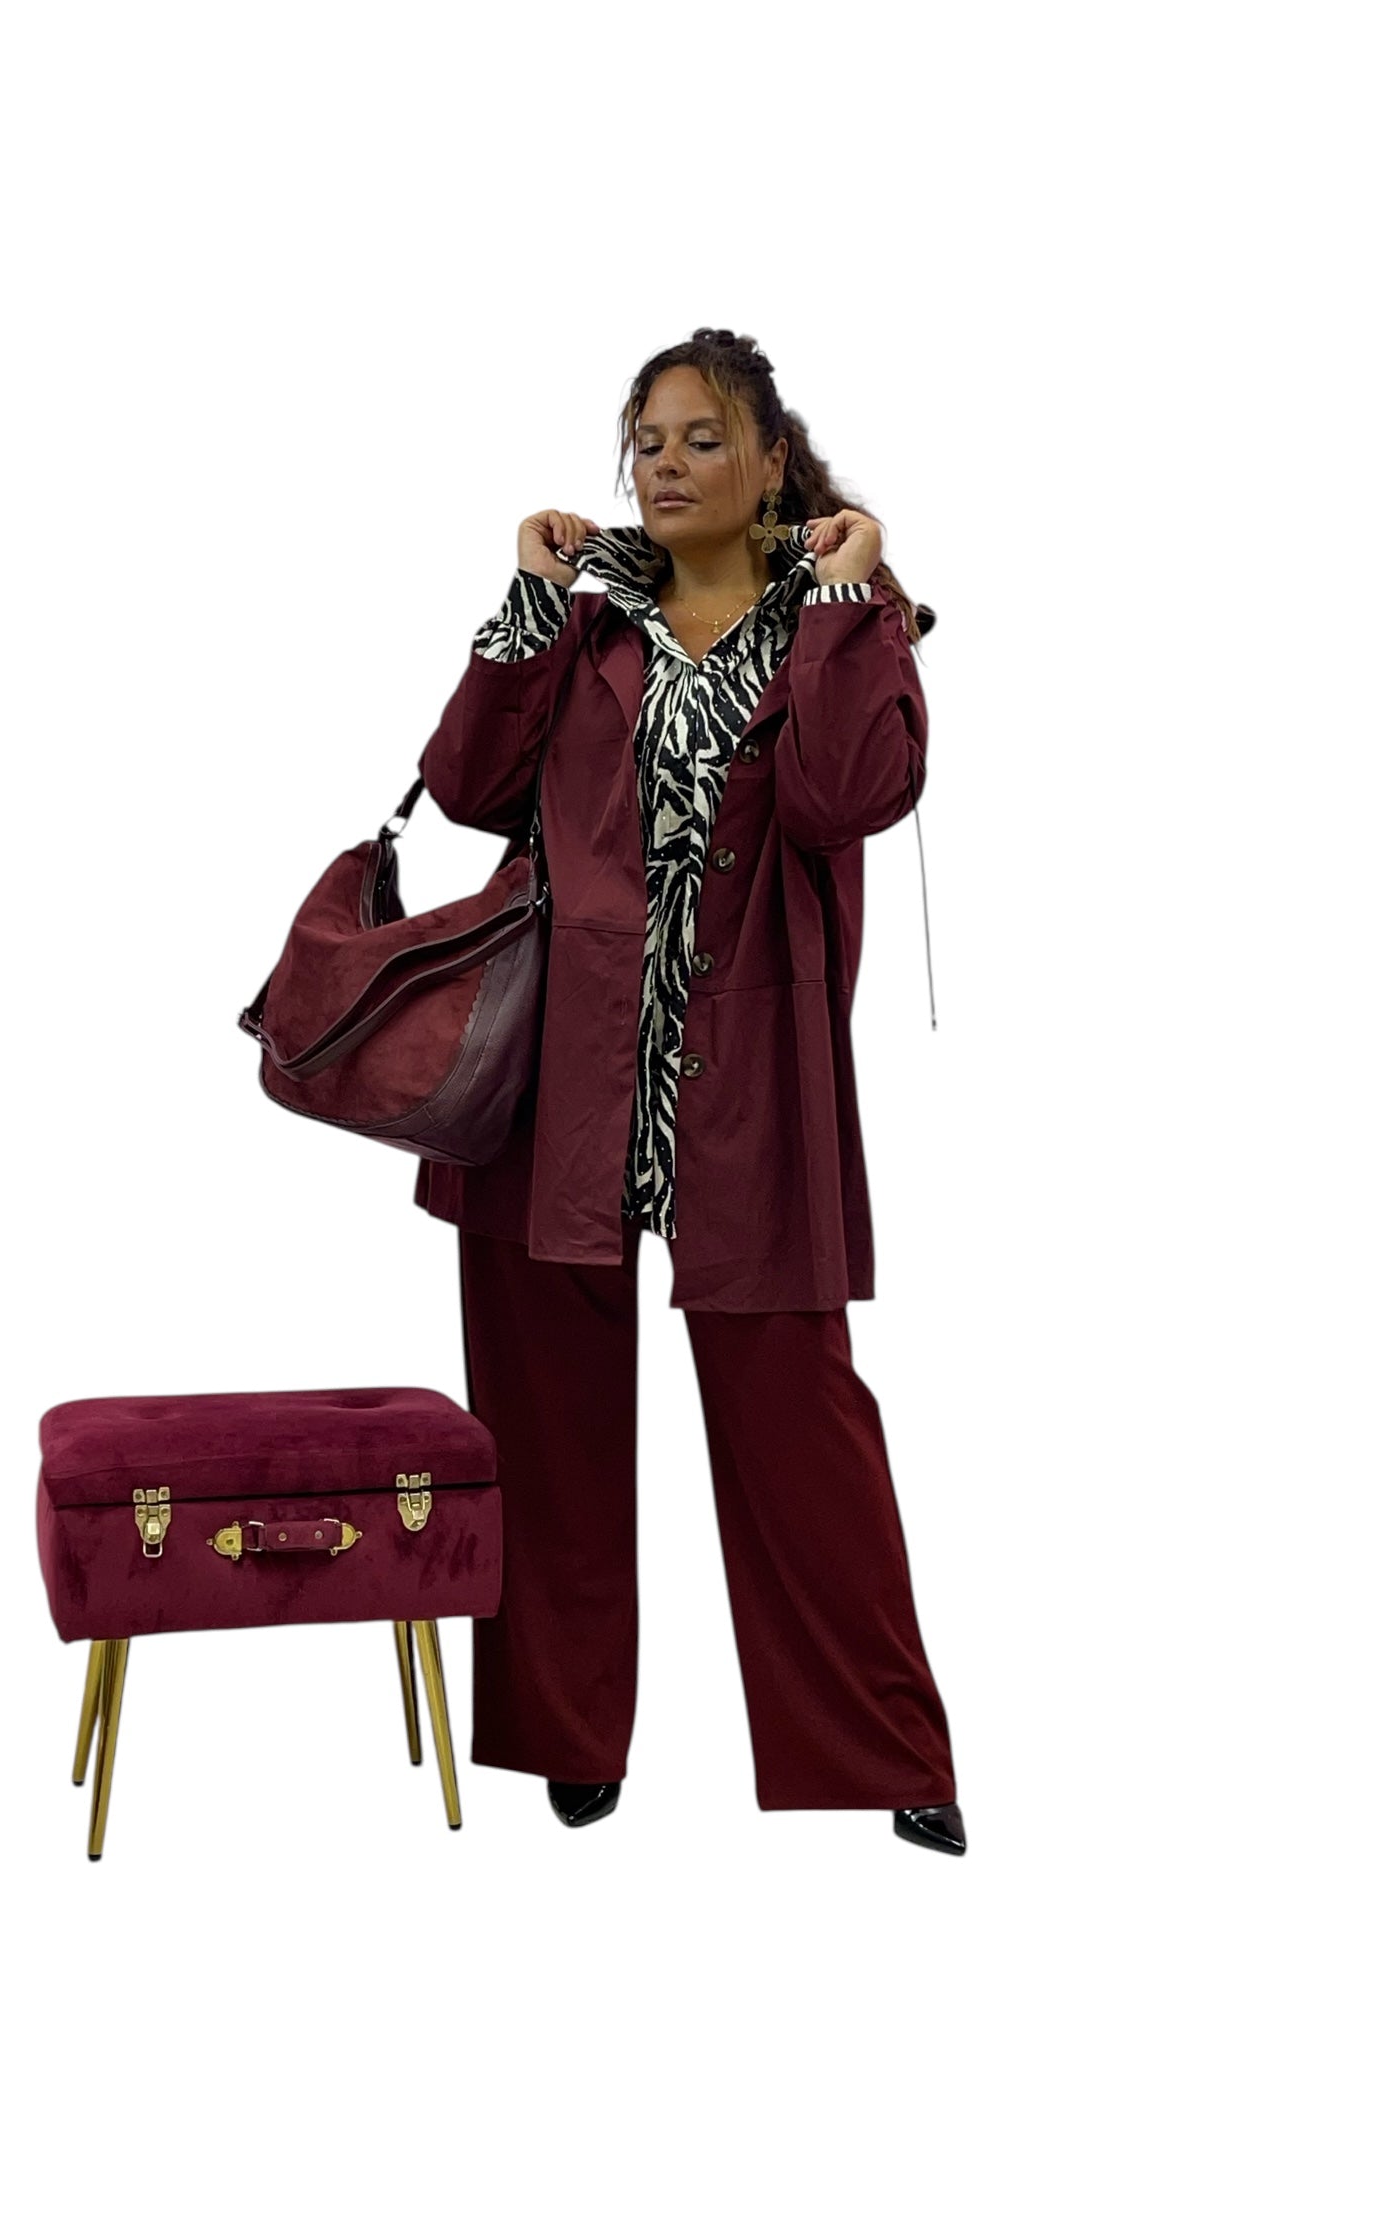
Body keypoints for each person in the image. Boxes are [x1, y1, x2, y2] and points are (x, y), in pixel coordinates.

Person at [411, 327, 964, 1855]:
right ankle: (562, 1728)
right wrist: (532, 597)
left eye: (701, 438)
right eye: (645, 440)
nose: (663, 464)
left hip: (751, 1073)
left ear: (772, 462)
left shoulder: (847, 622)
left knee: (800, 1420)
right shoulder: (588, 619)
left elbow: (849, 796)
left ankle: (884, 1750)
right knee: (544, 1417)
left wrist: (846, 601)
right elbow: (464, 786)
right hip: (557, 1076)